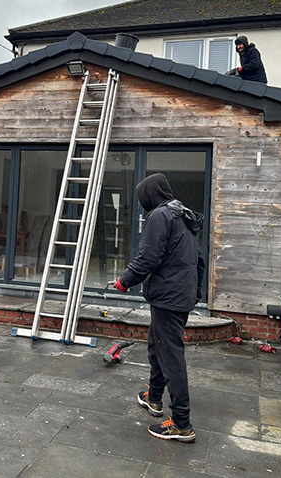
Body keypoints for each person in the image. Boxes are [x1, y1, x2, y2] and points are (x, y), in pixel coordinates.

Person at [113, 173, 205, 443]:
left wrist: (124, 281)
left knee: (171, 357)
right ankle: (153, 398)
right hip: (179, 295)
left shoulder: (160, 216)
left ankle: (181, 423)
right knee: (157, 346)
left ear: (149, 197)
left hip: (168, 296)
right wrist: (195, 292)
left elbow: (148, 257)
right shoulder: (182, 215)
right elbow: (198, 260)